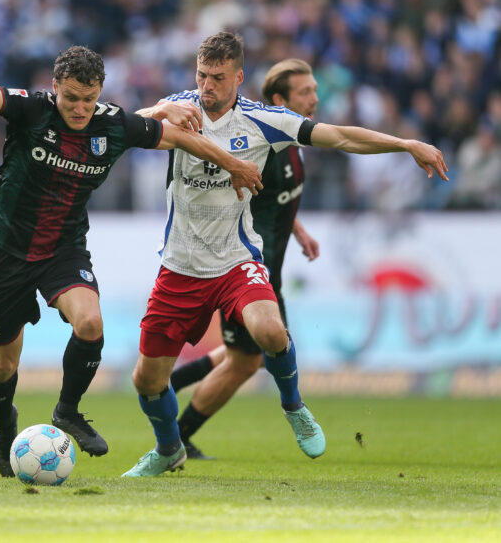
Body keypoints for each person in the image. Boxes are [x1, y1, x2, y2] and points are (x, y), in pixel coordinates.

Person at [122, 32, 448, 477]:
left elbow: (340, 137)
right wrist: (158, 110)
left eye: (218, 77)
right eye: (201, 75)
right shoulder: (179, 108)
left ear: (239, 77)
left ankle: (294, 406)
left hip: (237, 261)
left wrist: (406, 143)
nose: (206, 86)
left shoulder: (263, 121)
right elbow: (120, 127)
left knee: (269, 331)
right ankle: (168, 449)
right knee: (147, 381)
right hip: (179, 266)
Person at [0, 45, 262, 477]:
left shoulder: (112, 123)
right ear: (55, 89)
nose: (80, 108)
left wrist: (234, 163)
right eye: (71, 98)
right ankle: (3, 424)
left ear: (100, 93)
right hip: (4, 250)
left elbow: (180, 138)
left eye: (89, 99)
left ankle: (67, 411)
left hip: (63, 249)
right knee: (3, 364)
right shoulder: (33, 109)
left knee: (90, 323)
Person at [169, 58, 321, 461]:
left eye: (314, 90)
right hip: (247, 271)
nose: (314, 99)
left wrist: (297, 228)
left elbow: (273, 199)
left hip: (272, 271)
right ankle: (178, 436)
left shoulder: (292, 145)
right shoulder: (266, 141)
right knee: (246, 362)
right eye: (305, 92)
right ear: (278, 101)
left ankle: (174, 383)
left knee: (249, 356)